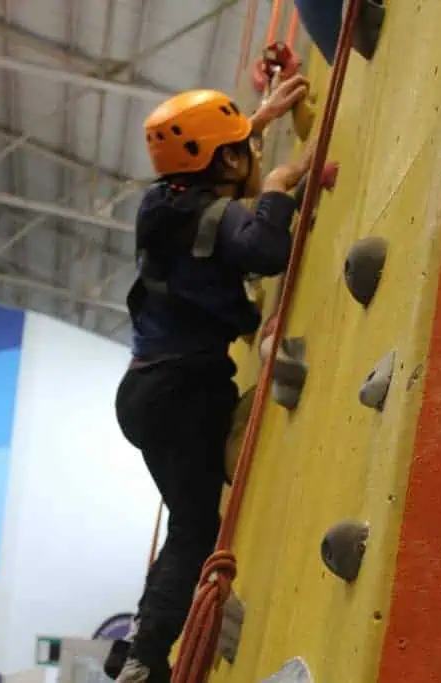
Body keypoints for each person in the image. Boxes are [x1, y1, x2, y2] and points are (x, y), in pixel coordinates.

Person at [108, 78, 315, 683]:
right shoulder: (212, 213)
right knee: (196, 530)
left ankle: (141, 653)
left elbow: (211, 173)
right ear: (225, 160)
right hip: (181, 394)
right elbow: (264, 248)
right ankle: (146, 663)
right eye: (240, 148)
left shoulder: (164, 201)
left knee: (185, 524)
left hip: (149, 391)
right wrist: (278, 187)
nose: (248, 156)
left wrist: (255, 122)